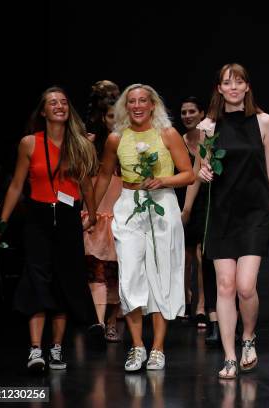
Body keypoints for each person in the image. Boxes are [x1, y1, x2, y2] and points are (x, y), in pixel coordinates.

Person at [197, 63, 269, 379]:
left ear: (248, 87)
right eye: (227, 82)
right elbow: (203, 167)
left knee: (245, 286)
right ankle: (229, 356)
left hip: (254, 212)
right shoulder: (208, 126)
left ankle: (248, 336)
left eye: (239, 82)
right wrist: (203, 170)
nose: (233, 87)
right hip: (222, 213)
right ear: (220, 89)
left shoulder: (264, 122)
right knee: (225, 286)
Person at [94, 83, 195, 371]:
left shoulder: (167, 133)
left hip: (162, 205)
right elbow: (103, 175)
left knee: (160, 277)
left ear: (153, 105)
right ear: (126, 107)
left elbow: (188, 174)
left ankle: (158, 349)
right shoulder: (116, 138)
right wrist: (90, 210)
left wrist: (163, 180)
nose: (137, 106)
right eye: (132, 101)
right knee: (130, 277)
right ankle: (137, 347)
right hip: (129, 205)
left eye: (143, 101)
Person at [0, 86, 98, 372]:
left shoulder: (80, 143)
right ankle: (35, 351)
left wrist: (91, 215)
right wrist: (1, 222)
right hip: (38, 218)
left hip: (68, 217)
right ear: (43, 111)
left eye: (64, 102)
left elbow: (86, 184)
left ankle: (56, 349)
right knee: (36, 279)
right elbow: (17, 185)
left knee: (64, 281)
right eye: (52, 103)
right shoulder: (29, 143)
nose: (59, 106)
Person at [83, 82, 123, 344]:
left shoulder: (128, 143)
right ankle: (97, 321)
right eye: (110, 116)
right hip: (97, 212)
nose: (115, 121)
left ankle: (111, 321)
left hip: (121, 213)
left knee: (118, 273)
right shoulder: (91, 143)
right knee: (96, 270)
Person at [180, 96, 221, 345]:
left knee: (204, 255)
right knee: (191, 255)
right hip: (195, 201)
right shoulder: (195, 136)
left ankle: (204, 305)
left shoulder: (216, 132)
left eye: (191, 111)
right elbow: (195, 173)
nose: (187, 116)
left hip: (218, 202)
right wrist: (185, 209)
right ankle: (190, 301)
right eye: (183, 112)